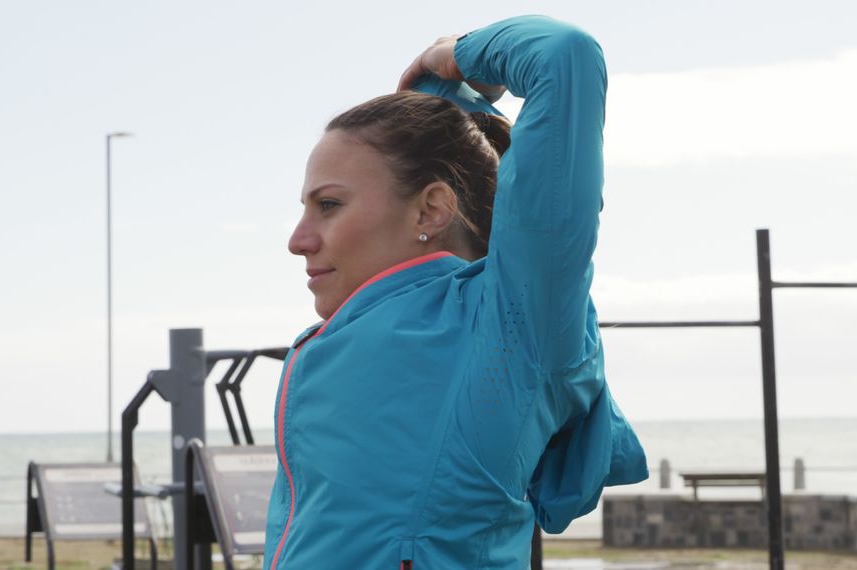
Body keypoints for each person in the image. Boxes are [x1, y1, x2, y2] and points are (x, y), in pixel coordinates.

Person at [270, 15, 648, 569]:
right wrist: (445, 100)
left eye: (328, 205)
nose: (297, 241)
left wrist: (452, 58)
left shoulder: (508, 326)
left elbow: (564, 56)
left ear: (431, 209)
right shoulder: (329, 344)